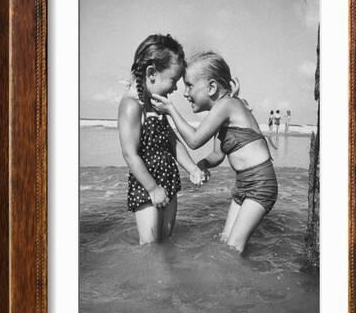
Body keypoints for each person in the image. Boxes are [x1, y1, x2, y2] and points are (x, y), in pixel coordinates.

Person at [151, 51, 278, 254]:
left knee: (234, 246)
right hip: (243, 184)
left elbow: (193, 141)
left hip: (261, 184)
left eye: (189, 85)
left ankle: (239, 284)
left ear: (211, 87)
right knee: (226, 242)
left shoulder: (226, 105)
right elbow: (217, 155)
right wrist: (203, 165)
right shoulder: (221, 112)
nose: (185, 93)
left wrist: (170, 110)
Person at [118, 34, 206, 245]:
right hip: (146, 184)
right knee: (150, 246)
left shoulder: (157, 104)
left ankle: (166, 278)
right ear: (151, 73)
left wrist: (192, 168)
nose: (176, 88)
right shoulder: (132, 106)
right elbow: (129, 154)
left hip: (168, 179)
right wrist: (152, 188)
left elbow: (173, 142)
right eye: (173, 80)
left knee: (166, 241)